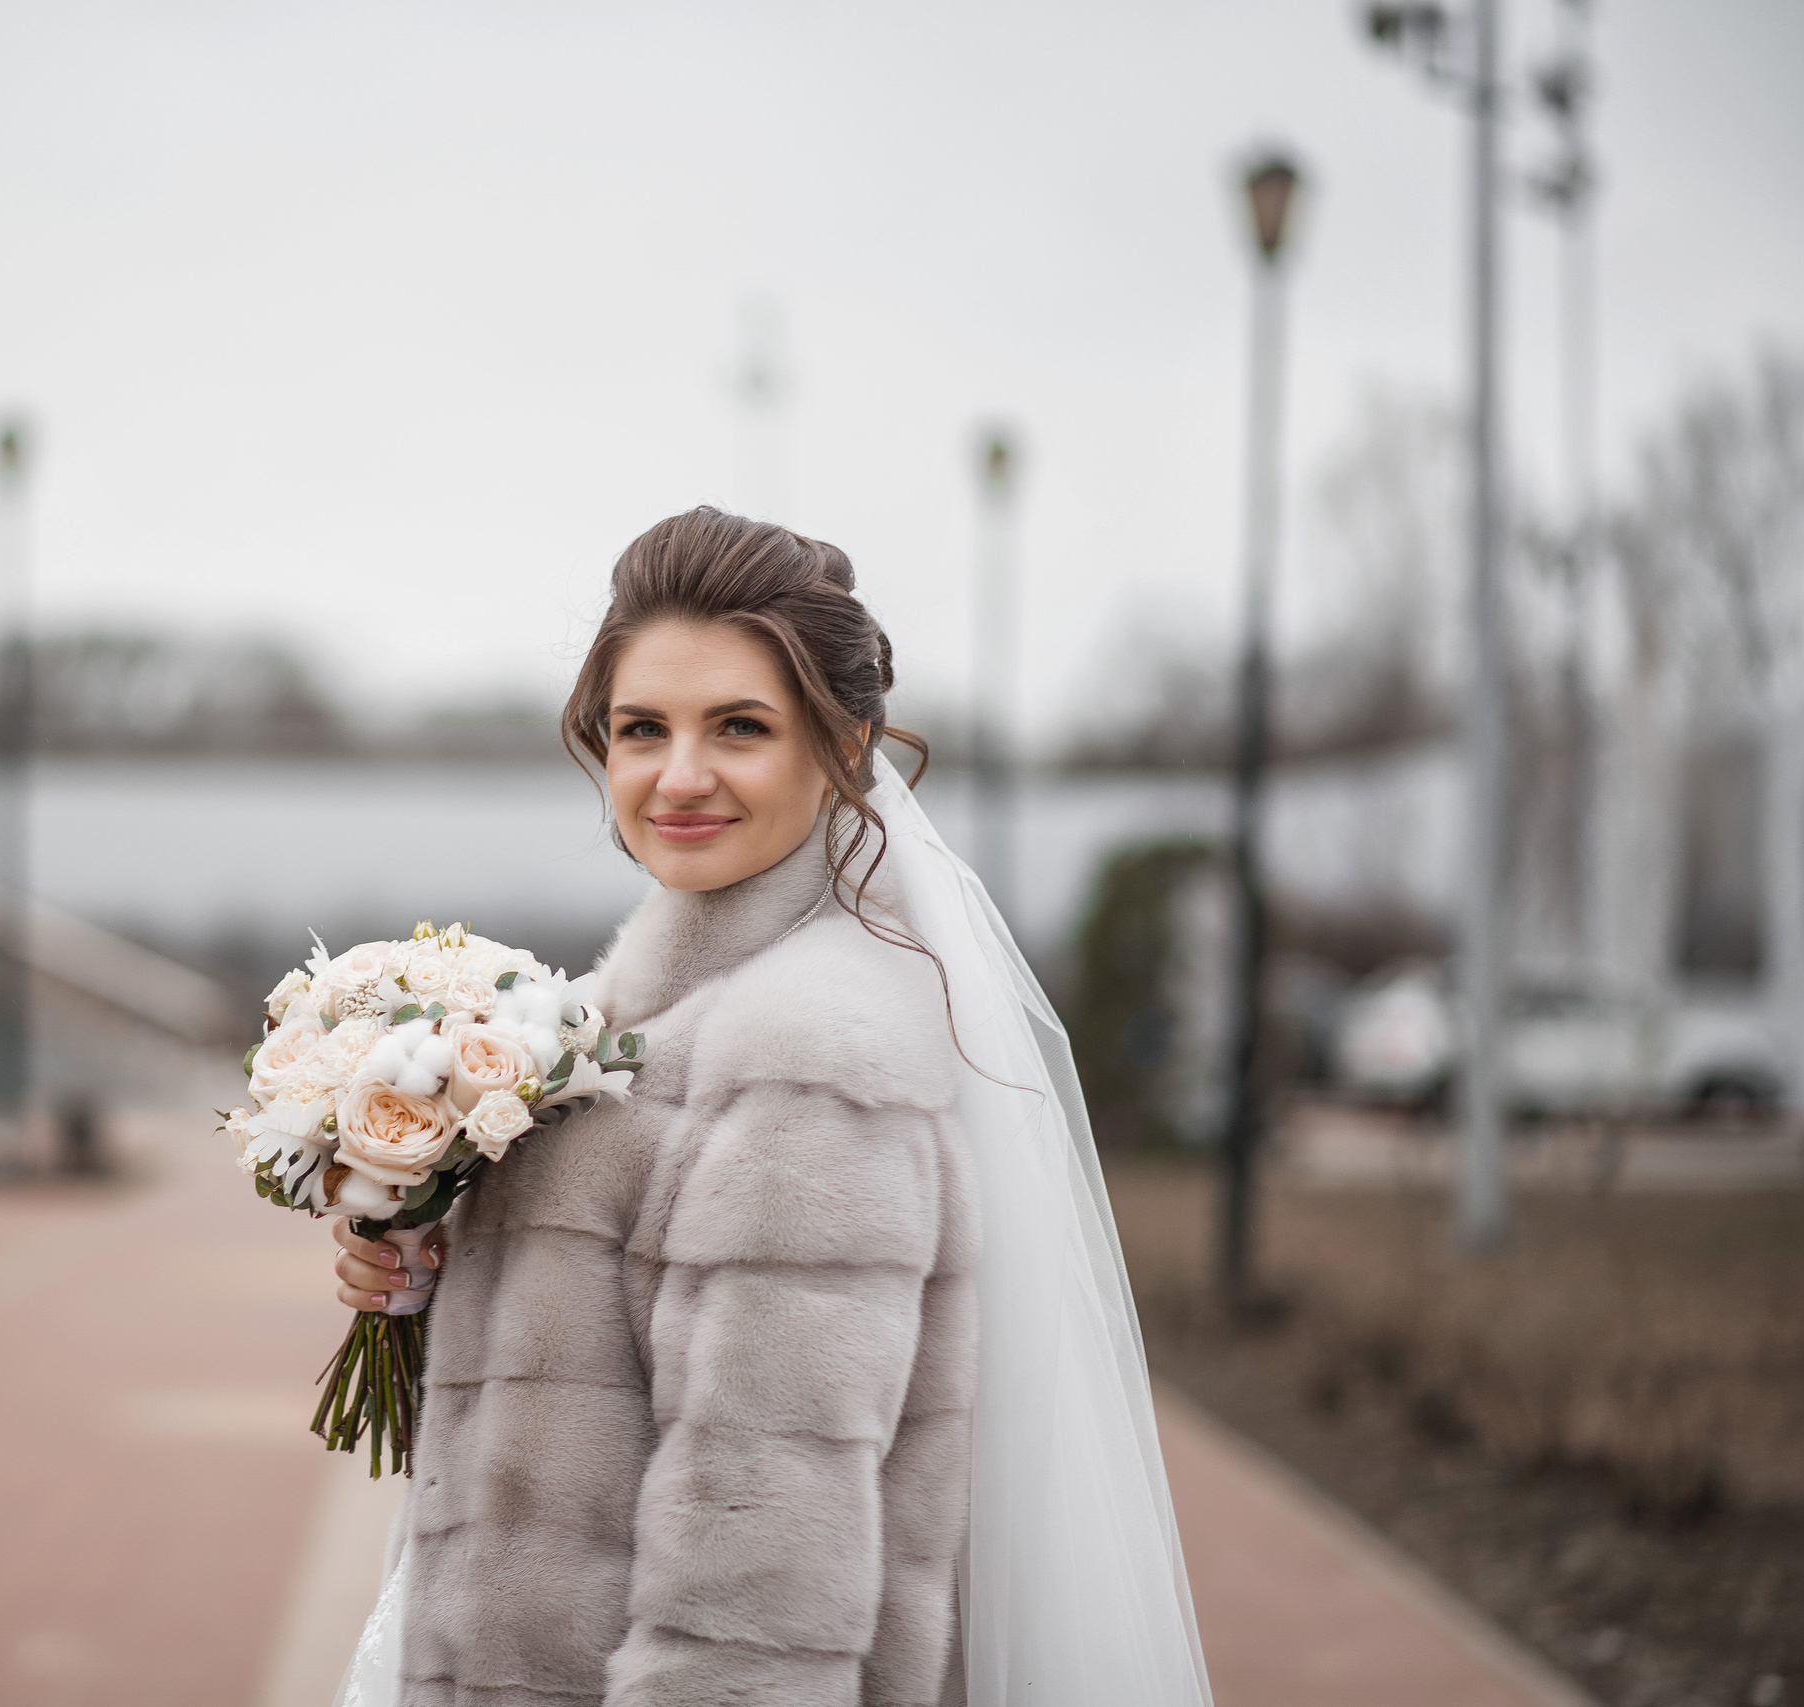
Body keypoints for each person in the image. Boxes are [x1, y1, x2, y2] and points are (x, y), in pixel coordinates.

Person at [331, 508, 1212, 1707]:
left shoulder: (806, 1056)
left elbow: (758, 1589)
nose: (678, 776)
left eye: (739, 727)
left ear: (842, 747)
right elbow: (600, 1374)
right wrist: (429, 1268)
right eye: (642, 728)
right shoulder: (610, 1019)